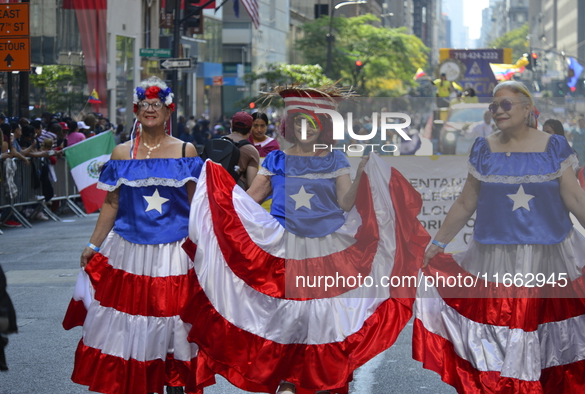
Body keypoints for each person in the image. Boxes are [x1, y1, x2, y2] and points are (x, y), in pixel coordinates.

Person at [181, 86, 428, 394]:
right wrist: (219, 196)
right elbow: (248, 201)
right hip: (285, 249)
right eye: (297, 123)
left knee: (325, 321)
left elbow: (345, 203)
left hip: (328, 251)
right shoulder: (276, 160)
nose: (303, 129)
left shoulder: (335, 160)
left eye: (310, 123)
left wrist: (363, 172)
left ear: (321, 126)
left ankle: (323, 380)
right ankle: (288, 378)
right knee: (288, 318)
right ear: (289, 126)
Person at [413, 80, 585, 393]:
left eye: (505, 104)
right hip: (493, 257)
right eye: (494, 105)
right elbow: (466, 202)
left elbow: (574, 198)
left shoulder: (554, 147)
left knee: (544, 332)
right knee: (501, 328)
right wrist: (437, 243)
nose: (497, 111)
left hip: (547, 257)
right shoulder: (483, 148)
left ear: (527, 108)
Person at [62, 76, 205, 394]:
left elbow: (199, 206)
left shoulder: (185, 150)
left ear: (169, 111)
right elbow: (111, 203)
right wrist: (93, 243)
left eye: (156, 104)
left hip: (174, 253)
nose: (150, 109)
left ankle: (176, 384)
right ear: (135, 110)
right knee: (133, 326)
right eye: (144, 104)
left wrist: (211, 247)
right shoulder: (121, 154)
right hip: (129, 251)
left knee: (174, 321)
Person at [225, 111, 260, 189]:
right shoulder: (251, 151)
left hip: (211, 195)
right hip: (235, 197)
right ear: (250, 129)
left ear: (232, 126)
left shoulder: (216, 143)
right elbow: (251, 185)